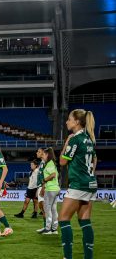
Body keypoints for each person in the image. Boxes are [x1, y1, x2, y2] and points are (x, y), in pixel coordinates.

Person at [58, 109, 97, 259]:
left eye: (69, 119)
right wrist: (89, 174)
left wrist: (67, 142)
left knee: (63, 219)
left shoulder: (75, 139)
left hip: (78, 184)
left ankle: (67, 257)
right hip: (90, 183)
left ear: (77, 122)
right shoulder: (88, 139)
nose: (67, 121)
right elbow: (94, 159)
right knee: (84, 221)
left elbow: (62, 162)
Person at [39, 147, 59, 235]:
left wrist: (44, 180)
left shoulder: (49, 164)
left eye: (43, 154)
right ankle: (54, 229)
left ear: (47, 154)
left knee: (47, 209)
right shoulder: (52, 163)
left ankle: (48, 229)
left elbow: (53, 175)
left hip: (50, 189)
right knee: (54, 209)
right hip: (55, 189)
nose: (42, 156)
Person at [35, 148, 47, 232]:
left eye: (39, 152)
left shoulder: (46, 163)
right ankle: (46, 226)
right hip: (40, 187)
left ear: (43, 153)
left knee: (45, 208)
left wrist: (43, 187)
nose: (37, 153)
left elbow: (46, 177)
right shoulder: (41, 163)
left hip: (44, 187)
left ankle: (49, 227)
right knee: (42, 208)